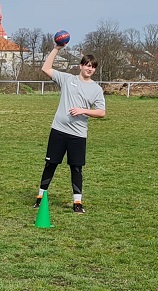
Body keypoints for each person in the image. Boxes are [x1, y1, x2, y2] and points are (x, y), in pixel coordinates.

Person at [35, 45, 106, 213]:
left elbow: (102, 112)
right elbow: (45, 68)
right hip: (58, 131)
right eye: (87, 65)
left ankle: (77, 203)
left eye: (93, 66)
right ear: (81, 66)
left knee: (76, 167)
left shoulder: (96, 89)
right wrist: (56, 49)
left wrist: (83, 110)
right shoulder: (68, 79)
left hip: (78, 135)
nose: (90, 68)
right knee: (51, 164)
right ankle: (40, 198)